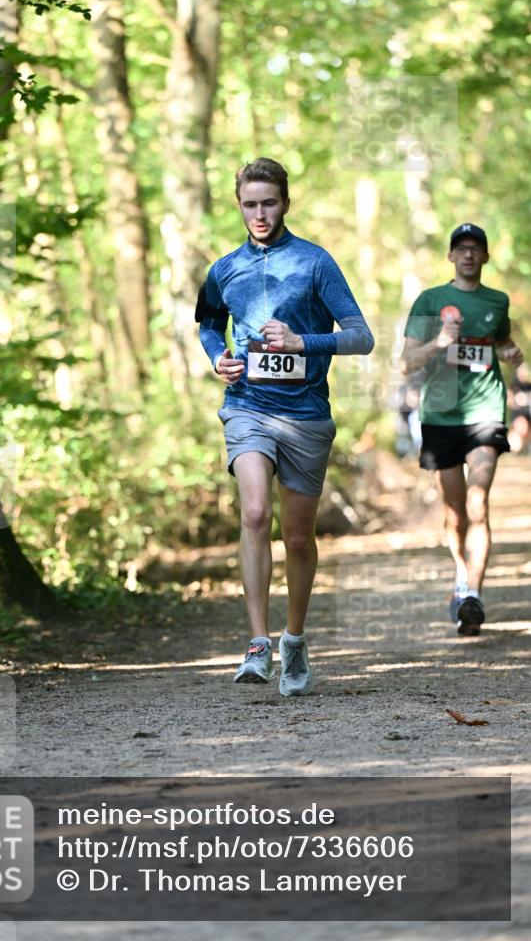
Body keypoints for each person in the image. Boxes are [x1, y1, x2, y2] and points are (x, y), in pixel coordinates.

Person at [196, 158, 374, 695]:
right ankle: (257, 643)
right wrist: (217, 356)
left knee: (297, 538)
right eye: (249, 204)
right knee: (253, 512)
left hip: (305, 417)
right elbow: (207, 323)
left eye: (268, 202)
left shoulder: (316, 263)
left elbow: (362, 336)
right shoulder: (225, 269)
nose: (259, 213)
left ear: (285, 203)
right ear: (239, 205)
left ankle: (293, 640)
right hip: (247, 406)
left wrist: (304, 342)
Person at [401, 223, 524, 636]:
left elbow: (501, 344)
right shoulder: (430, 300)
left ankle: (473, 594)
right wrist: (438, 343)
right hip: (441, 415)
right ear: (451, 256)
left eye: (476, 249)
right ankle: (460, 576)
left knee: (478, 503)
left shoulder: (497, 301)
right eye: (461, 248)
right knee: (455, 516)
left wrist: (511, 354)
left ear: (485, 257)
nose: (469, 255)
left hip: (486, 413)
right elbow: (406, 363)